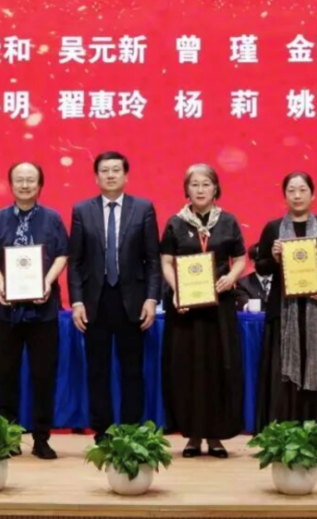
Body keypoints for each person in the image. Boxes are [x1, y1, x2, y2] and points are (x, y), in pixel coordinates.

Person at [67, 151, 161, 443]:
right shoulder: (82, 210)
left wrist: (151, 299)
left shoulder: (143, 208)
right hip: (95, 301)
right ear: (96, 177)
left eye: (116, 170)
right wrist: (77, 301)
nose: (110, 175)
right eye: (104, 171)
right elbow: (75, 262)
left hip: (132, 301)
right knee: (97, 369)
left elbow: (153, 260)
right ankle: (103, 432)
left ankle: (131, 431)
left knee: (132, 368)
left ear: (125, 175)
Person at [0, 162, 68, 459]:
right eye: (19, 179)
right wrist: (2, 282)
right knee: (7, 374)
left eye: (31, 180)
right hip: (8, 310)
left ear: (40, 184)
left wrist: (47, 281)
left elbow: (62, 254)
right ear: (10, 184)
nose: (25, 185)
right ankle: (9, 436)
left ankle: (42, 437)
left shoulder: (52, 218)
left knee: (43, 375)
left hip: (43, 310)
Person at [160, 164, 246, 457]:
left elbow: (240, 259)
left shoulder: (228, 221)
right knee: (188, 369)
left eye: (206, 184)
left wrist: (231, 278)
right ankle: (193, 435)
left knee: (218, 367)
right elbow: (166, 262)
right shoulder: (175, 223)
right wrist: (177, 290)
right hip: (185, 309)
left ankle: (216, 435)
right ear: (187, 189)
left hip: (219, 308)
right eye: (194, 184)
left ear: (215, 188)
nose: (200, 190)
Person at [255, 172, 317, 432]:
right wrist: (274, 258)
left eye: (303, 190)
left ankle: (315, 431)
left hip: (316, 307)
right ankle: (281, 431)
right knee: (281, 371)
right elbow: (261, 267)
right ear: (284, 196)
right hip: (282, 310)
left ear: (312, 194)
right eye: (291, 190)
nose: (297, 195)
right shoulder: (272, 228)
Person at [234, 243, 272, 311]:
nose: (266, 261)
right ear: (253, 262)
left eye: (268, 257)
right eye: (262, 258)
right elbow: (245, 306)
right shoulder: (243, 284)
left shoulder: (283, 281)